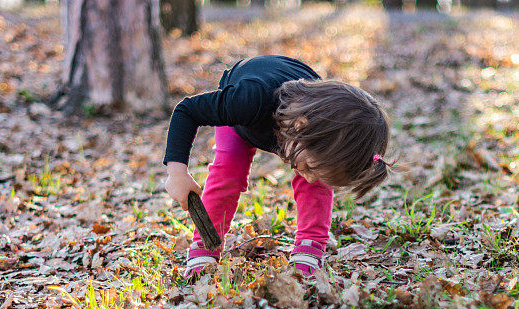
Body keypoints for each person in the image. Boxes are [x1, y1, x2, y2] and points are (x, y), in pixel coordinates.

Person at [162, 55, 391, 278]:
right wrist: (177, 172)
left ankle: (310, 246)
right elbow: (187, 111)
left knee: (320, 173)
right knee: (230, 167)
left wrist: (317, 169)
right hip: (242, 118)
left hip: (298, 117)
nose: (310, 178)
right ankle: (204, 246)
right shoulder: (247, 100)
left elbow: (319, 163)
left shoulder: (320, 126)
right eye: (309, 168)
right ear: (300, 127)